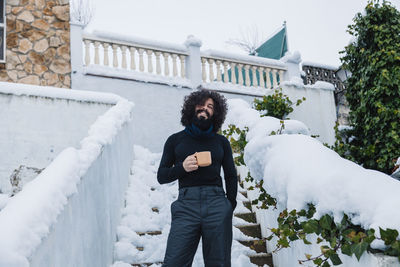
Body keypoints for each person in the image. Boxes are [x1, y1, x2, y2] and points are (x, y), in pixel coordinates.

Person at [157, 89, 237, 267]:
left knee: (219, 263)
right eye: (201, 104)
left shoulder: (221, 142)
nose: (205, 109)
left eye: (210, 106)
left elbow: (231, 175)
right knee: (174, 262)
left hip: (217, 203)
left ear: (215, 113)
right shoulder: (175, 140)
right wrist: (182, 168)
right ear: (192, 108)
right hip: (186, 205)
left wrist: (229, 205)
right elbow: (161, 176)